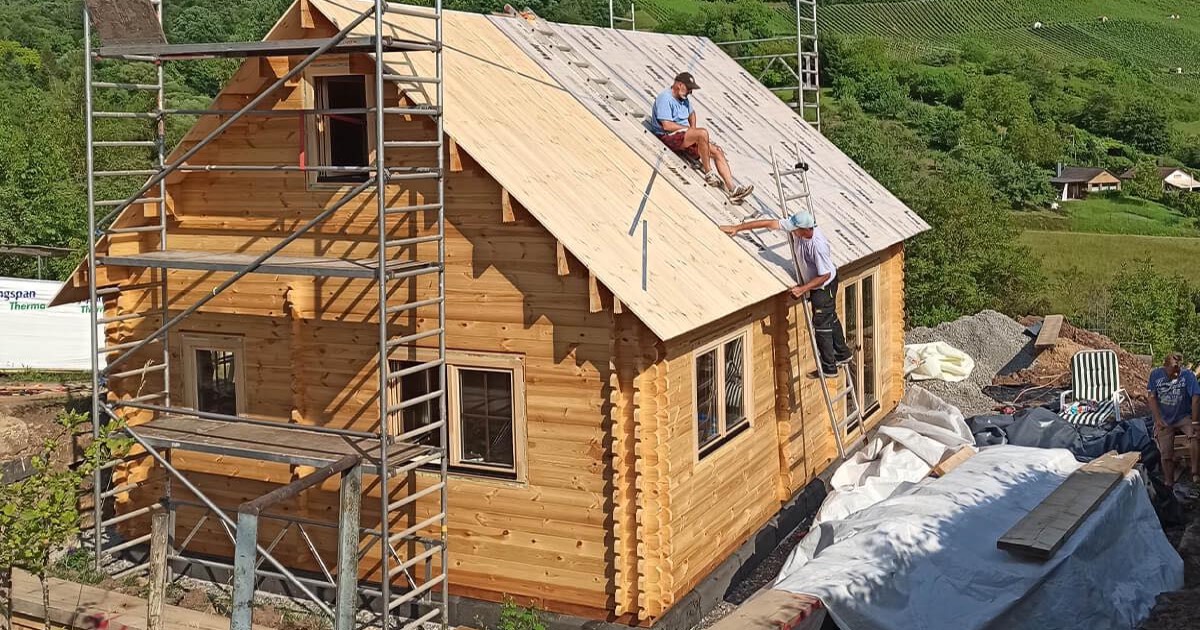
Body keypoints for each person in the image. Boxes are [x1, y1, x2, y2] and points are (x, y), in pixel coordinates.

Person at [720, 211, 851, 378]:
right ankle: (843, 354)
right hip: (820, 283)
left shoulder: (818, 245)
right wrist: (738, 228)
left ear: (805, 229)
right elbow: (769, 224)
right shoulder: (799, 229)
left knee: (821, 325)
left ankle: (829, 368)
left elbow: (824, 275)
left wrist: (803, 289)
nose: (791, 232)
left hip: (824, 287)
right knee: (830, 317)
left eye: (795, 230)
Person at [650, 72, 753, 204]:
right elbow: (667, 125)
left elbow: (692, 113)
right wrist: (691, 131)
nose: (690, 92)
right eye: (688, 89)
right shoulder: (665, 98)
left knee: (717, 151)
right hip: (668, 136)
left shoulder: (684, 100)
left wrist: (692, 129)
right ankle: (709, 173)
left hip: (682, 135)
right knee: (702, 133)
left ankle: (733, 189)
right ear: (679, 85)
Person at [1148, 352, 1200, 494]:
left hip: (1183, 416)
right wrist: (1158, 420)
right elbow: (1151, 398)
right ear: (1165, 366)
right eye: (1173, 371)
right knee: (1166, 454)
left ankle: (1195, 472)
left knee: (1195, 435)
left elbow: (1196, 398)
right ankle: (1169, 482)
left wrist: (1195, 422)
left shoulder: (1188, 375)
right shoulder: (1155, 375)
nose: (1176, 374)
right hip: (1164, 418)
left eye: (1178, 371)